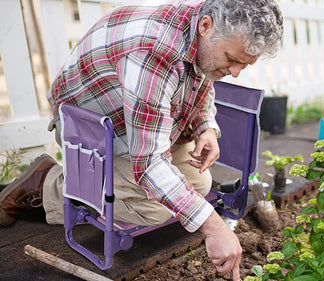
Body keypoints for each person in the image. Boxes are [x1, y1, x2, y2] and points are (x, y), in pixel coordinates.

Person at [0, 0, 283, 279]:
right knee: (154, 207)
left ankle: (92, 182)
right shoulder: (154, 51)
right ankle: (48, 182)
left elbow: (203, 78)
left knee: (199, 182)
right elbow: (148, 164)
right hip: (90, 127)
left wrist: (205, 127)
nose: (234, 72)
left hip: (134, 121)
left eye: (243, 65)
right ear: (206, 27)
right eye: (232, 60)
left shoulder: (204, 29)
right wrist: (214, 227)